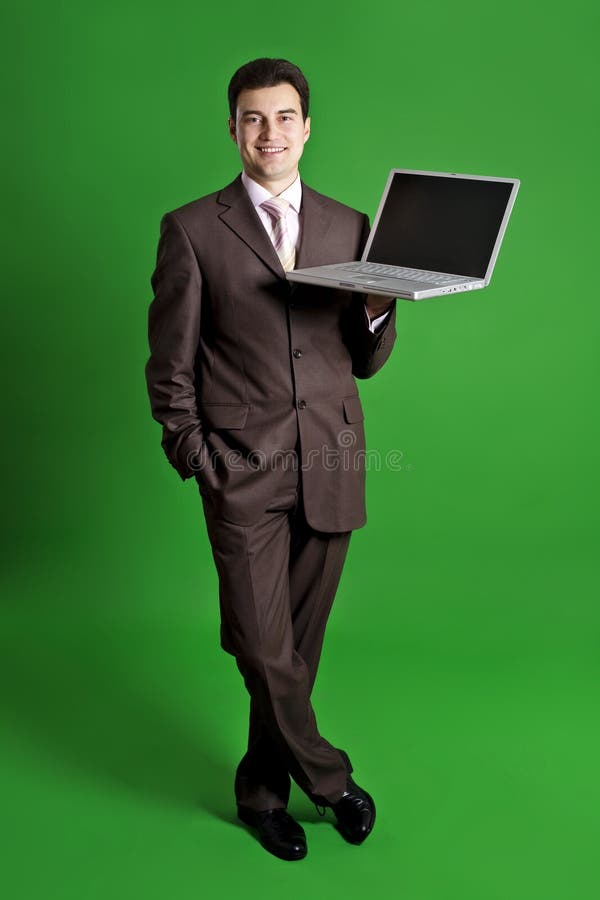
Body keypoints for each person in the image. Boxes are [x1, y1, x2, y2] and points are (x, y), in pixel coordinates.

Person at [145, 57, 397, 861]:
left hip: (333, 459)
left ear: (307, 127)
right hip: (240, 470)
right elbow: (170, 365)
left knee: (295, 654)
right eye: (253, 118)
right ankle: (331, 779)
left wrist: (377, 309)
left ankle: (260, 793)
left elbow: (365, 360)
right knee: (262, 646)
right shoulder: (192, 229)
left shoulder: (353, 226)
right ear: (233, 129)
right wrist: (197, 456)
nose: (270, 133)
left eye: (285, 116)